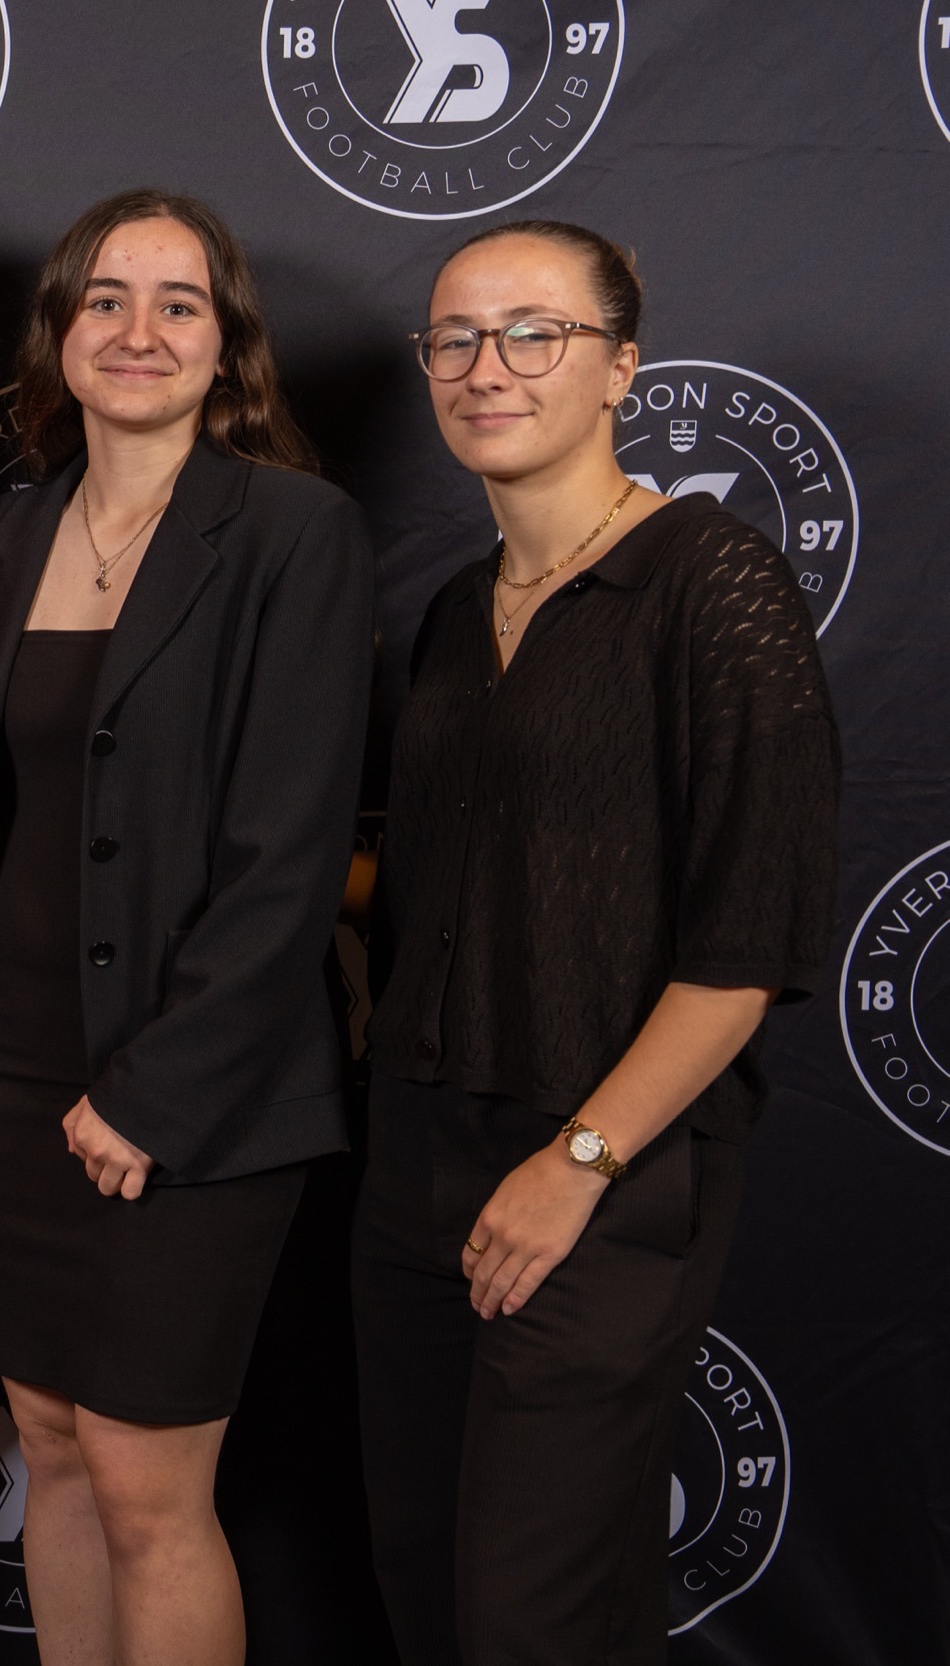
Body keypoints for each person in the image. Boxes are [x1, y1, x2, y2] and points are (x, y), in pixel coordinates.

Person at [354, 221, 840, 1666]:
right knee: (426, 1583)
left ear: (622, 365)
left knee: (530, 1613)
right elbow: (440, 883)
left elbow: (748, 940)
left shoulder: (713, 582)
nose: (485, 368)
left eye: (533, 334)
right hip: (416, 1158)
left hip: (601, 1165)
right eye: (454, 338)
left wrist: (578, 1164)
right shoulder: (458, 613)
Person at [0, 190, 374, 1666]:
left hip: (192, 1090)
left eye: (178, 303)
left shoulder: (293, 532)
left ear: (226, 343)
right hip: (10, 1074)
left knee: (144, 1482)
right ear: (59, 336)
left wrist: (154, 1094)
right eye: (105, 300)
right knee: (53, 1445)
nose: (139, 332)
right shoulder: (9, 532)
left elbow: (290, 857)